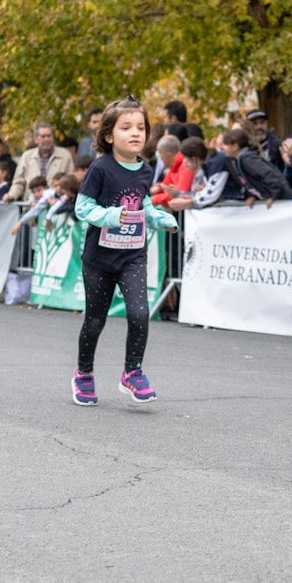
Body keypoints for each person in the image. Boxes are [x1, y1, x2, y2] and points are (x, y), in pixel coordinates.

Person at [72, 96, 178, 406]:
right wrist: (107, 215)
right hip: (100, 258)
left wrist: (159, 218)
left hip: (133, 253)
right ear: (108, 135)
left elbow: (142, 203)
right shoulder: (100, 169)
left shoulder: (144, 170)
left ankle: (132, 373)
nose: (135, 133)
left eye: (141, 128)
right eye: (126, 127)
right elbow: (82, 207)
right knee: (95, 319)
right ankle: (84, 373)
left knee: (140, 313)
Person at [220, 128, 292, 208]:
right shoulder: (237, 161)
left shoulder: (247, 160)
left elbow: (269, 175)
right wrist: (252, 196)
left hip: (283, 200)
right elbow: (250, 182)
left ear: (234, 146)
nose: (223, 148)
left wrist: (273, 196)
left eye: (225, 144)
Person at [10, 123, 74, 202]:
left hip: (55, 204)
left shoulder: (65, 155)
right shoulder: (27, 156)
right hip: (32, 204)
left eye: (49, 136)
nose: (46, 139)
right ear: (36, 139)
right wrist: (11, 195)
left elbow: (70, 180)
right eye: (43, 136)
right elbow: (19, 181)